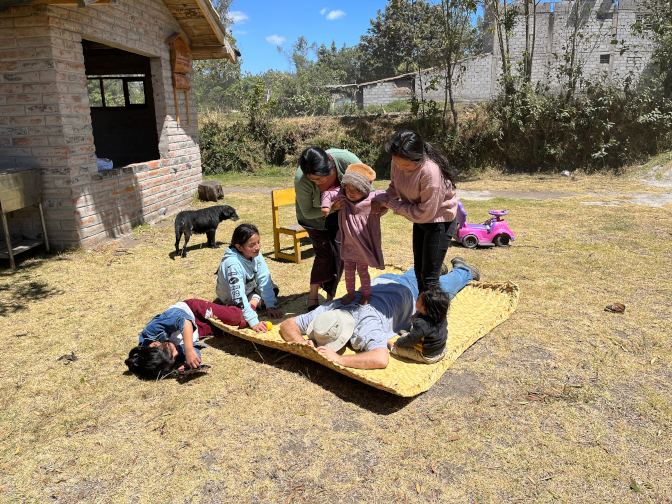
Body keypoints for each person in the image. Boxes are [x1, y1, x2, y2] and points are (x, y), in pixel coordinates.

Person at [279, 257, 480, 370]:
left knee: (448, 281)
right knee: (421, 271)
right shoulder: (330, 310)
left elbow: (380, 358)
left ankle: (464, 271)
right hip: (387, 281)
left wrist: (339, 359)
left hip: (411, 293)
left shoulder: (366, 326)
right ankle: (438, 267)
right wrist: (299, 343)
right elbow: (288, 324)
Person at [372, 130, 458, 293]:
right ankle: (423, 309)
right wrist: (383, 199)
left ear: (418, 158)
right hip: (420, 219)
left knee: (429, 279)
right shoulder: (398, 162)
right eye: (397, 164)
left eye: (405, 165)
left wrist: (390, 204)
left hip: (439, 221)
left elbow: (426, 213)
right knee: (419, 271)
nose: (400, 168)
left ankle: (436, 317)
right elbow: (395, 186)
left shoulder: (430, 172)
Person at [295, 146, 362, 311]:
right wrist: (332, 208)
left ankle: (330, 298)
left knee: (339, 253)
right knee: (324, 254)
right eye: (314, 180)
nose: (319, 183)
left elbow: (366, 180)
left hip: (338, 214)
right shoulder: (301, 179)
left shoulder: (345, 159)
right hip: (313, 219)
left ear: (330, 167)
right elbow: (308, 211)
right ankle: (313, 294)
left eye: (321, 178)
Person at [321, 163, 387, 306]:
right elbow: (328, 193)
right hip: (348, 245)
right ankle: (350, 294)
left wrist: (378, 203)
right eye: (348, 188)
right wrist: (326, 206)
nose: (350, 192)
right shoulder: (344, 198)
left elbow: (386, 195)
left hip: (363, 246)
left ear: (364, 190)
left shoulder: (371, 199)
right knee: (349, 272)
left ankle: (366, 295)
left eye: (356, 190)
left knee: (363, 271)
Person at [125, 299, 243, 378]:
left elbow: (184, 320)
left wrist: (188, 350)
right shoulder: (164, 358)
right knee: (232, 327)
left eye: (172, 350)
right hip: (198, 331)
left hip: (193, 311)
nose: (177, 352)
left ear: (154, 344)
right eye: (175, 357)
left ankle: (252, 299)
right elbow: (193, 352)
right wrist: (190, 361)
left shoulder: (152, 331)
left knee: (236, 317)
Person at [215, 223, 283, 333]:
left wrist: (270, 305)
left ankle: (253, 300)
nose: (257, 247)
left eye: (258, 242)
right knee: (235, 313)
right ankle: (254, 301)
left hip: (250, 289)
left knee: (273, 289)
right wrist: (253, 321)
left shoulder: (255, 253)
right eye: (252, 245)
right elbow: (238, 297)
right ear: (239, 247)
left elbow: (264, 278)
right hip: (231, 297)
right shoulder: (232, 264)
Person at [387, 283, 450, 364]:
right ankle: (408, 334)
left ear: (424, 308)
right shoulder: (440, 314)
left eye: (418, 299)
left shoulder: (422, 324)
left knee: (397, 349)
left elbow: (411, 341)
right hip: (441, 349)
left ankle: (389, 344)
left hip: (429, 355)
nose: (416, 300)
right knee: (415, 333)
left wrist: (399, 342)